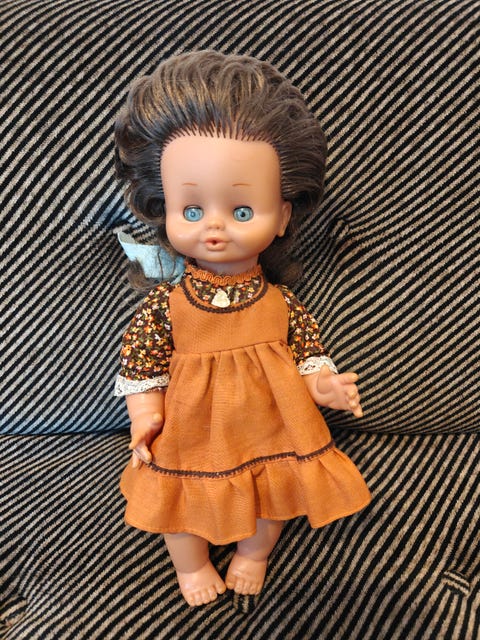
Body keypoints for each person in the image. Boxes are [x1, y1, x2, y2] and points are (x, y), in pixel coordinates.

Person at [114, 50, 371, 607]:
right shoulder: (166, 305)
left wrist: (323, 385)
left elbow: (307, 354)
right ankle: (191, 567)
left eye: (242, 211)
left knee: (273, 498)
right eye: (191, 210)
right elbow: (140, 362)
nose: (213, 227)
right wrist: (145, 416)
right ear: (164, 209)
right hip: (189, 433)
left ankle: (254, 555)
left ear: (282, 216)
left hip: (269, 428)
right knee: (178, 510)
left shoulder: (282, 304)